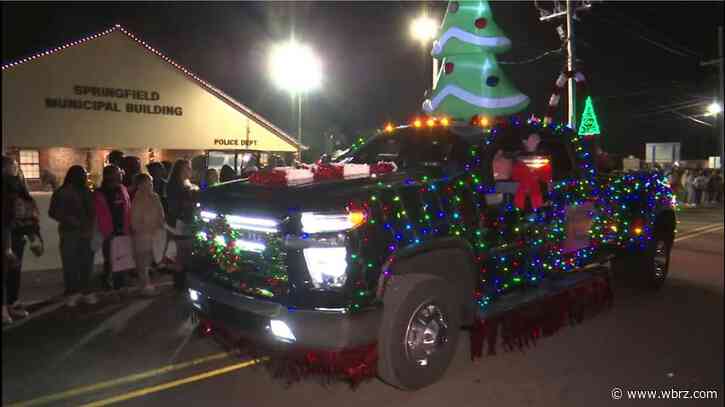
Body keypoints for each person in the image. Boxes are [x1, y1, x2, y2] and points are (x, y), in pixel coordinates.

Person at [49, 165, 97, 306]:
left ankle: (83, 291)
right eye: (82, 174)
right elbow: (53, 212)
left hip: (83, 232)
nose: (84, 177)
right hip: (70, 232)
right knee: (72, 263)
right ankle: (74, 292)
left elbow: (93, 211)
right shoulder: (64, 192)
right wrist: (68, 218)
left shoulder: (85, 191)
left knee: (84, 263)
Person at [2, 156, 42, 322]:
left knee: (13, 272)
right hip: (8, 236)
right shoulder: (9, 188)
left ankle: (11, 303)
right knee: (6, 273)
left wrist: (33, 235)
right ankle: (5, 307)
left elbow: (28, 211)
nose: (17, 168)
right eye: (13, 166)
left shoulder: (17, 186)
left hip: (17, 235)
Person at [94, 165, 132, 292]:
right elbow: (98, 214)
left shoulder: (122, 189)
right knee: (110, 260)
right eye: (118, 173)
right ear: (110, 175)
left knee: (122, 259)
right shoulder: (99, 193)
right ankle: (109, 285)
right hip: (109, 232)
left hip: (123, 230)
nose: (121, 174)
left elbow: (128, 209)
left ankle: (120, 285)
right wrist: (106, 231)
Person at [130, 173, 165, 296]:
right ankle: (145, 286)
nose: (151, 185)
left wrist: (160, 226)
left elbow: (161, 215)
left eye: (151, 182)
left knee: (149, 260)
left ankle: (147, 285)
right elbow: (135, 221)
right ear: (140, 185)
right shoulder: (137, 200)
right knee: (142, 262)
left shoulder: (155, 197)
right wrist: (145, 228)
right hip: (143, 236)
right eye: (148, 182)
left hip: (154, 235)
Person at [165, 159, 197, 290]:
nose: (189, 170)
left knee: (184, 253)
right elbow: (175, 206)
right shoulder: (175, 186)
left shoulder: (186, 184)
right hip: (180, 222)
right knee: (181, 253)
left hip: (186, 221)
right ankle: (179, 283)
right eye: (187, 168)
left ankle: (181, 281)